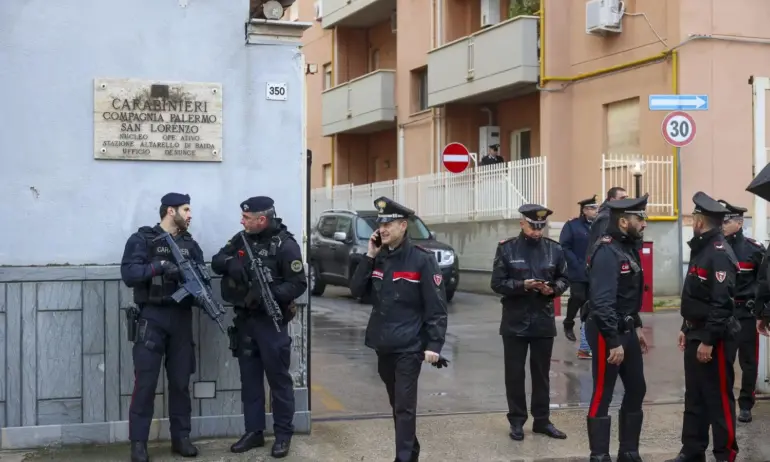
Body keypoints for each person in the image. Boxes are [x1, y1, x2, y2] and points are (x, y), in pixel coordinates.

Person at [349, 196, 448, 462]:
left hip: (410, 345)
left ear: (403, 225)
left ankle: (404, 457)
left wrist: (434, 345)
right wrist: (369, 256)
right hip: (383, 343)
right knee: (397, 403)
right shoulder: (378, 258)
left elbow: (436, 307)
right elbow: (356, 290)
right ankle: (411, 448)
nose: (382, 229)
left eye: (389, 224)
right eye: (380, 224)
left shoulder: (422, 260)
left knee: (404, 406)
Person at [210, 196, 307, 458]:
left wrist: (269, 294)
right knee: (249, 381)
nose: (242, 221)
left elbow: (298, 284)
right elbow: (217, 259)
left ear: (261, 219)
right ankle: (254, 432)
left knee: (278, 381)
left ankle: (283, 434)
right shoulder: (241, 239)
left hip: (271, 323)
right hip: (246, 322)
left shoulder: (285, 246)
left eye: (247, 218)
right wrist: (232, 264)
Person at [120, 193, 202, 462]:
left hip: (180, 319)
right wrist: (160, 267)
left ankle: (181, 438)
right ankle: (139, 443)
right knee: (145, 383)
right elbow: (130, 274)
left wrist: (198, 289)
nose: (190, 215)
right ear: (171, 211)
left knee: (180, 382)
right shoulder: (143, 239)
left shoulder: (191, 245)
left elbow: (204, 280)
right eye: (186, 209)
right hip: (152, 317)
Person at [667, 192, 739, 462]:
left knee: (718, 399)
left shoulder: (719, 253)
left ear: (701, 220)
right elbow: (695, 296)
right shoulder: (701, 248)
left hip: (715, 337)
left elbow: (722, 304)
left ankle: (725, 454)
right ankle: (692, 450)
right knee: (694, 396)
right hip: (696, 331)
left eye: (694, 217)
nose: (692, 222)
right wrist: (686, 327)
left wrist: (708, 340)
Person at [491, 204, 569, 441]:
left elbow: (565, 278)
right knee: (514, 374)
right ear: (522, 223)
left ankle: (542, 421)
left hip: (542, 319)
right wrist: (522, 285)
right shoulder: (507, 249)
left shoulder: (554, 250)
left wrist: (552, 289)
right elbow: (496, 283)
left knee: (542, 374)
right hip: (515, 320)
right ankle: (516, 420)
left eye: (541, 226)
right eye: (533, 226)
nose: (537, 231)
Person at [584, 194, 650, 462]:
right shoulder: (607, 251)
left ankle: (629, 451)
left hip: (625, 326)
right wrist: (613, 340)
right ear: (623, 221)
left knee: (637, 388)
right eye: (640, 218)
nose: (644, 224)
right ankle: (599, 455)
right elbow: (601, 303)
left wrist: (637, 325)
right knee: (603, 391)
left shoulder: (627, 246)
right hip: (605, 330)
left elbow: (628, 295)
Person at [719, 200, 765, 423]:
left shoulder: (753, 250)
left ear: (738, 223)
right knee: (724, 361)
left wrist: (759, 308)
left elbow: (763, 280)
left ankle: (746, 404)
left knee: (748, 362)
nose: (722, 225)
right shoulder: (717, 248)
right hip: (724, 314)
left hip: (746, 314)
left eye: (726, 221)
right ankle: (725, 402)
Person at [559, 195, 600, 345]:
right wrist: (575, 263)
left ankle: (586, 331)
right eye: (592, 208)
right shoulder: (572, 225)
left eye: (597, 208)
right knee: (578, 297)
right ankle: (569, 322)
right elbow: (564, 246)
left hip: (595, 269)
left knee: (590, 301)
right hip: (577, 269)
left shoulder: (599, 225)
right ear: (584, 210)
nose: (596, 211)